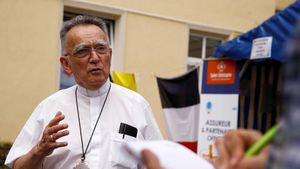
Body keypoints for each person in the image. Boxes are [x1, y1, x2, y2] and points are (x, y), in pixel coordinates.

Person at [5, 15, 163, 169]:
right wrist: (39, 150)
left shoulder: (137, 105)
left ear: (110, 54)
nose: (95, 58)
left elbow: (161, 162)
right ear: (66, 64)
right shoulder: (49, 108)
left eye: (101, 48)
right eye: (83, 51)